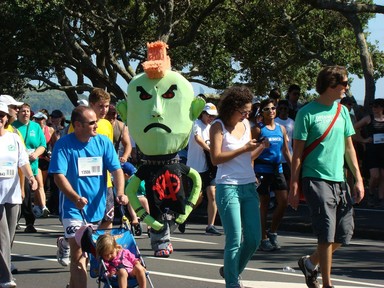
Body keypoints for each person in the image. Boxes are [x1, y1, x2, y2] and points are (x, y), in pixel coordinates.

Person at [289, 65, 364, 288]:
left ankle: (310, 263)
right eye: (344, 83)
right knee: (327, 232)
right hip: (315, 178)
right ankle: (327, 283)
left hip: (339, 180)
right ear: (330, 84)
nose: (347, 88)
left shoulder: (343, 112)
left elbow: (349, 148)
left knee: (345, 234)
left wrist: (358, 179)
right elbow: (298, 154)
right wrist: (294, 184)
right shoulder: (306, 112)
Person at [48, 106, 128, 288]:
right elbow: (58, 176)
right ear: (77, 125)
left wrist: (120, 192)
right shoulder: (64, 145)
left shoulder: (103, 142)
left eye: (96, 122)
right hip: (73, 210)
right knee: (79, 256)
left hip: (98, 209)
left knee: (97, 256)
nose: (96, 126)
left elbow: (116, 170)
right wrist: (75, 197)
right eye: (91, 123)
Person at [210, 86, 267, 288]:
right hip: (228, 187)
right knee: (234, 238)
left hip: (248, 185)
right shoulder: (218, 126)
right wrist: (244, 148)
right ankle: (232, 283)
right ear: (232, 108)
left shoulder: (246, 124)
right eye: (244, 111)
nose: (247, 115)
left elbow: (246, 157)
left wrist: (259, 148)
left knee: (254, 238)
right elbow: (216, 158)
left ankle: (230, 271)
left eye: (249, 112)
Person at [0, 101, 38, 288]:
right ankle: (6, 278)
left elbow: (22, 161)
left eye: (1, 115)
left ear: (6, 118)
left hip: (12, 194)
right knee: (2, 237)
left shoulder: (14, 138)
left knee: (11, 234)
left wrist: (31, 178)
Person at [252, 98, 291, 251]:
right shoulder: (258, 129)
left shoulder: (281, 129)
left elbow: (286, 151)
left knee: (283, 201)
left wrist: (295, 169)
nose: (271, 111)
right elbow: (251, 153)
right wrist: (251, 172)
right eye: (267, 109)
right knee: (264, 203)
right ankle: (263, 238)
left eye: (273, 108)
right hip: (262, 170)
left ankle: (272, 231)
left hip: (277, 168)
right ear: (261, 112)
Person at [186, 102, 221, 236]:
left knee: (212, 194)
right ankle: (183, 215)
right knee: (197, 198)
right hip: (195, 166)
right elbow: (198, 139)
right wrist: (211, 150)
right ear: (203, 113)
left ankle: (210, 225)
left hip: (209, 168)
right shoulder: (196, 124)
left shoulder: (212, 127)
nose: (211, 118)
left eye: (213, 116)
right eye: (209, 115)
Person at [13, 103, 47, 233]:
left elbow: (42, 145)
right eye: (23, 111)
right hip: (16, 167)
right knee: (18, 194)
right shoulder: (13, 127)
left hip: (30, 166)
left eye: (27, 111)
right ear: (18, 113)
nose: (25, 113)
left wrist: (35, 154)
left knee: (27, 194)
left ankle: (29, 222)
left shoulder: (35, 127)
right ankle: (15, 218)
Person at [353, 98, 384, 208]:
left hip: (383, 151)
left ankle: (381, 198)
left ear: (382, 107)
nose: (374, 108)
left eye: (376, 106)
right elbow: (352, 128)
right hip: (372, 151)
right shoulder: (368, 118)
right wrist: (363, 140)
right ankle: (370, 193)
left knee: (382, 176)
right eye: (373, 106)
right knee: (375, 175)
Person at [32, 110, 54, 218]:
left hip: (46, 160)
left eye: (40, 119)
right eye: (36, 119)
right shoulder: (33, 130)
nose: (39, 121)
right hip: (37, 159)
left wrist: (51, 155)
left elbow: (54, 143)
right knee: (39, 183)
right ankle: (43, 207)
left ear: (44, 119)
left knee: (43, 184)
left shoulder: (49, 130)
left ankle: (36, 205)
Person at [121, 162, 150, 236]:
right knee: (145, 202)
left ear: (125, 175)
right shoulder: (137, 178)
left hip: (134, 197)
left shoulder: (125, 181)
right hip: (140, 197)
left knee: (131, 203)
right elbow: (143, 188)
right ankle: (149, 222)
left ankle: (134, 218)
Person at [274, 100, 295, 190]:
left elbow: (294, 140)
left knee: (288, 181)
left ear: (288, 109)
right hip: (277, 157)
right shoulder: (274, 121)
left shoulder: (292, 122)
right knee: (279, 183)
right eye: (281, 108)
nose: (283, 110)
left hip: (289, 156)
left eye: (285, 108)